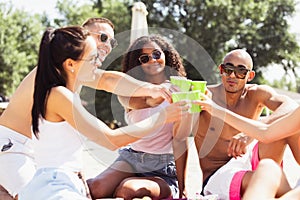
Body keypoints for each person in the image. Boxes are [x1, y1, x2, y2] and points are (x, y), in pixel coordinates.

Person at [0, 17, 174, 199]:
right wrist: (161, 115)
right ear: (81, 36)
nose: (108, 46)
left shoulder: (72, 74)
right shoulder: (55, 77)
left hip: (40, 156)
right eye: (103, 38)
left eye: (112, 42)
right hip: (13, 146)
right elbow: (109, 138)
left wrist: (153, 89)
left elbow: (108, 80)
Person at [180, 49, 299, 199]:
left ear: (250, 75)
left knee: (289, 129)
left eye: (240, 71)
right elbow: (179, 136)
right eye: (228, 69)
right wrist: (182, 189)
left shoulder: (256, 94)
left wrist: (251, 133)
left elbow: (291, 107)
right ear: (221, 70)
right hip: (218, 175)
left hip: (249, 161)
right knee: (263, 179)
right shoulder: (205, 96)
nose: (232, 76)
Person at [87, 35, 194, 199]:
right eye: (145, 58)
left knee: (128, 189)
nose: (152, 60)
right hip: (132, 159)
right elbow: (146, 101)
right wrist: (161, 90)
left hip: (164, 166)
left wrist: (183, 189)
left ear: (166, 54)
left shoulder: (181, 89)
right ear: (139, 63)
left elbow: (180, 140)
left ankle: (138, 184)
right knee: (95, 188)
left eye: (157, 54)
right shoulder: (128, 91)